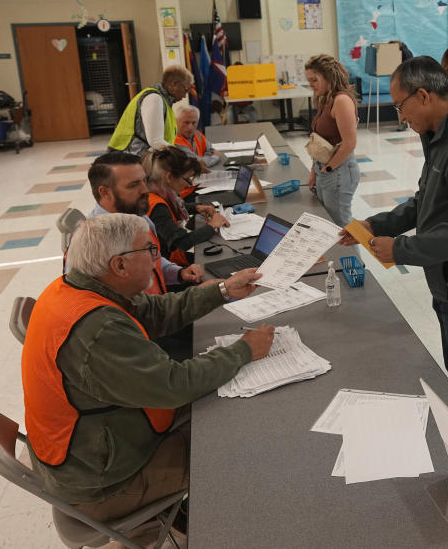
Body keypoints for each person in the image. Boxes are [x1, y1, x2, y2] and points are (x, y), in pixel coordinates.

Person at [21, 213, 273, 538]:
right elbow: (175, 384)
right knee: (227, 441)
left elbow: (156, 311)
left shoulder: (76, 289)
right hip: (103, 483)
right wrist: (245, 350)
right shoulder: (99, 329)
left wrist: (223, 289)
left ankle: (184, 514)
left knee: (221, 399)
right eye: (150, 251)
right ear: (120, 265)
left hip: (94, 447)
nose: (157, 258)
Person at [339, 57, 448, 444]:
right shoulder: (441, 138)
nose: (400, 117)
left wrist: (399, 249)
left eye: (401, 106)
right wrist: (376, 226)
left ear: (425, 95)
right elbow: (425, 203)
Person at [73, 152, 206, 296]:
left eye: (144, 181)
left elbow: (149, 259)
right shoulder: (93, 243)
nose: (145, 190)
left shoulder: (138, 217)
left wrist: (179, 273)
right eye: (134, 185)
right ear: (105, 192)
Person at [142, 147, 229, 266]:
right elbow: (183, 242)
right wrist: (212, 225)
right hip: (164, 267)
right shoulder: (157, 207)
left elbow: (174, 207)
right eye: (187, 179)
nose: (188, 184)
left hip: (165, 260)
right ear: (169, 177)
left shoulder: (154, 192)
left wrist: (196, 208)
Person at [304, 54, 360, 226]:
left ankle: (352, 254)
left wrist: (327, 169)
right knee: (328, 224)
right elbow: (321, 140)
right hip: (325, 169)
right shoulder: (325, 98)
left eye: (314, 80)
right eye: (309, 80)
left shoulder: (341, 100)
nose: (311, 85)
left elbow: (349, 143)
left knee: (342, 226)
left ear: (328, 77)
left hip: (338, 171)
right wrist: (315, 171)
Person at [108, 65, 193, 156]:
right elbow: (156, 142)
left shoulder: (165, 102)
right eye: (186, 89)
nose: (185, 96)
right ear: (174, 84)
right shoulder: (154, 98)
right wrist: (184, 157)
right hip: (126, 159)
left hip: (139, 158)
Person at [173, 102, 221, 171]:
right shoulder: (175, 141)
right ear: (176, 122)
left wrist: (202, 159)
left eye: (194, 123)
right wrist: (216, 157)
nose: (190, 127)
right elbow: (195, 163)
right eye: (186, 122)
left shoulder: (198, 134)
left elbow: (210, 150)